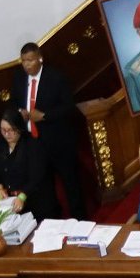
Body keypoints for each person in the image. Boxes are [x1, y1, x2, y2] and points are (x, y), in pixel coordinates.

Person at [9, 39, 88, 216]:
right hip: (34, 143)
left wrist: (44, 116)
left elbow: (68, 106)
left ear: (40, 58)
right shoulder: (19, 78)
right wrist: (19, 112)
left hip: (58, 141)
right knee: (44, 187)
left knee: (70, 183)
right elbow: (13, 102)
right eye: (23, 61)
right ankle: (53, 220)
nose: (27, 65)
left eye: (30, 60)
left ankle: (80, 219)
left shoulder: (56, 77)